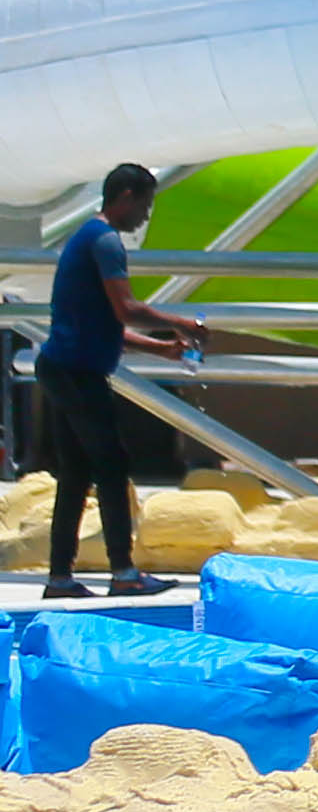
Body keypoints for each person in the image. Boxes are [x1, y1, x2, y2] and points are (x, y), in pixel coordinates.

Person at [41, 163, 207, 601]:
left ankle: (60, 579)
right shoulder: (105, 241)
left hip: (62, 367)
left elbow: (105, 326)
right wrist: (183, 324)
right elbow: (127, 310)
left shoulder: (86, 237)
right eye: (145, 206)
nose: (145, 216)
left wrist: (163, 349)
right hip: (77, 373)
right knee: (111, 466)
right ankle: (124, 572)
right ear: (127, 196)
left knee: (76, 474)